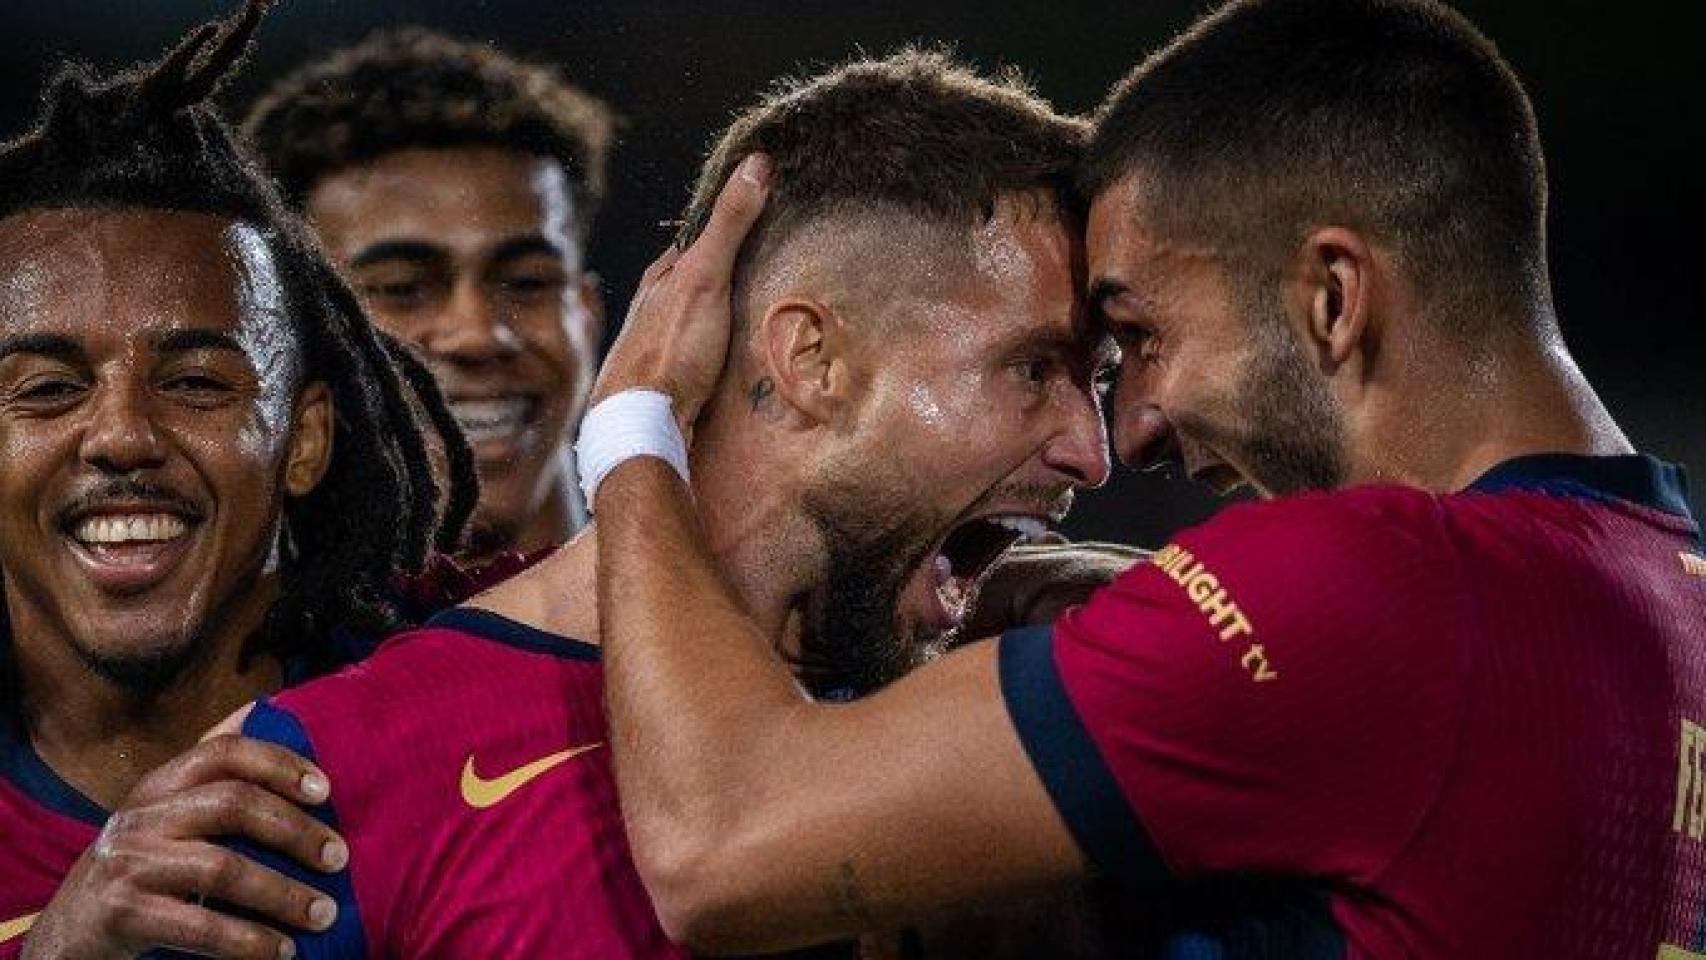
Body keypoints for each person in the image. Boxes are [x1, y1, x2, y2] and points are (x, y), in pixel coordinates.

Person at [583, 0, 1705, 956]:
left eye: (1142, 334)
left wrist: (633, 430)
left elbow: (715, 845)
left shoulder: (1374, 588)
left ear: (1330, 296)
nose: (1133, 429)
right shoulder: (1667, 590)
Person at [220, 48, 1118, 957]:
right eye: (1034, 368)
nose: (1093, 454)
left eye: (1098, 381)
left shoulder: (981, 720)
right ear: (810, 360)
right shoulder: (326, 765)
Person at [0, 4, 478, 957]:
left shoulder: (480, 693)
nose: (123, 436)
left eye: (196, 383)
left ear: (304, 439)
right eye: (49, 388)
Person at [245, 29, 613, 558]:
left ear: (586, 314)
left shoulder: (735, 621)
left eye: (528, 282)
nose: (478, 334)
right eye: (402, 288)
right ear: (284, 337)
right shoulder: (213, 635)